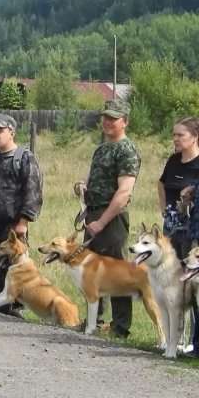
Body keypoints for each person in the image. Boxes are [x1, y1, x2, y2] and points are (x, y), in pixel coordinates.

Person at [80, 100, 140, 338]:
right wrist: (83, 187)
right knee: (91, 271)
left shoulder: (126, 150)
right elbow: (94, 177)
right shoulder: (101, 148)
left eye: (113, 118)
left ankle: (120, 326)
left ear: (125, 122)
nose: (107, 121)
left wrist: (102, 222)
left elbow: (124, 192)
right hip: (93, 213)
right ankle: (95, 321)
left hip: (111, 218)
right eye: (105, 117)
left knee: (118, 272)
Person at [0, 114, 43, 315]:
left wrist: (23, 221)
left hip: (13, 225)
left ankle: (16, 307)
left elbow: (33, 191)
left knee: (15, 265)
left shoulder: (24, 157)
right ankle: (1, 303)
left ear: (11, 132)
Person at [158, 117, 199, 355]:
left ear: (194, 137)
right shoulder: (173, 160)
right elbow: (161, 183)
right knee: (172, 282)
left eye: (180, 135)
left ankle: (194, 341)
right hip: (172, 229)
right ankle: (174, 339)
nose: (175, 139)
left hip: (193, 229)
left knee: (192, 284)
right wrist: (164, 208)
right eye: (174, 135)